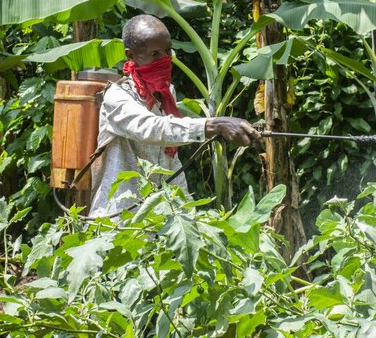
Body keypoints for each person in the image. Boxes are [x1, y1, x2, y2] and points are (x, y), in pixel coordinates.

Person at [89, 14, 261, 218]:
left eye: (167, 51)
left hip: (158, 223)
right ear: (131, 55)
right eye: (154, 53)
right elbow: (153, 128)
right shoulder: (117, 97)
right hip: (118, 221)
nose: (164, 59)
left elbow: (170, 162)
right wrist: (214, 125)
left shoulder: (165, 95)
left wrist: (188, 215)